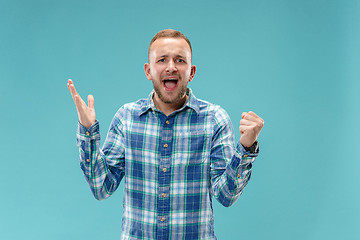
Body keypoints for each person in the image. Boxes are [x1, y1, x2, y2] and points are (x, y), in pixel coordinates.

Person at [67, 29, 264, 240]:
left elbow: (226, 195)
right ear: (148, 70)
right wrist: (87, 131)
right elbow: (101, 187)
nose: (171, 67)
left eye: (180, 60)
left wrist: (246, 147)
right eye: (162, 60)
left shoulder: (215, 119)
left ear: (191, 71)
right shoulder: (127, 117)